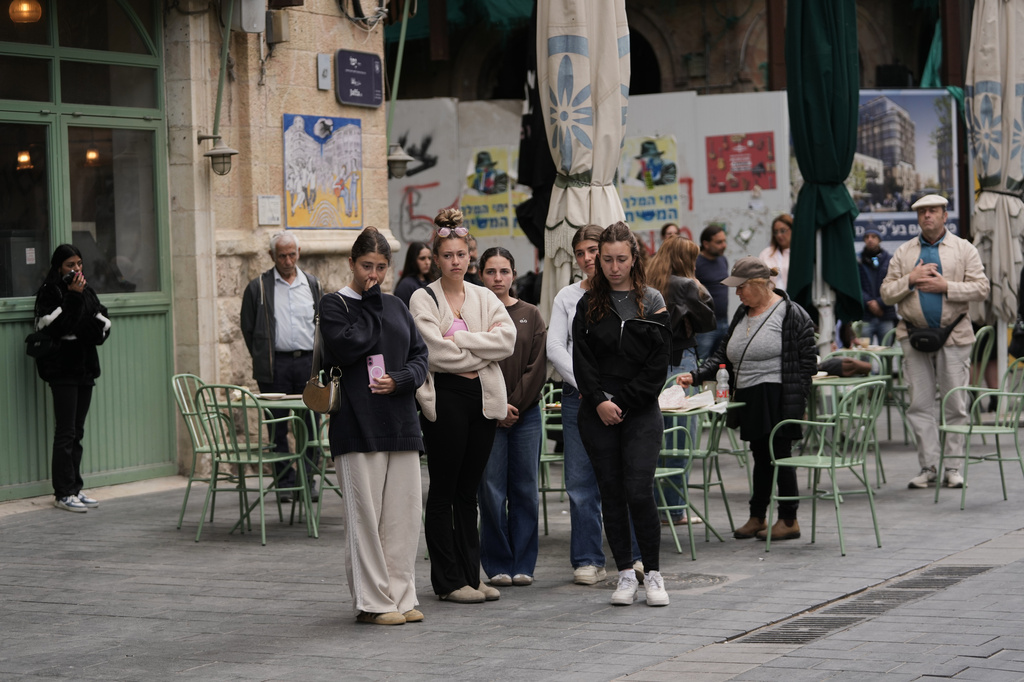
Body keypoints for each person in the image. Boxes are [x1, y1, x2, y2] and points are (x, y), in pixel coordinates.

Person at [319, 227, 429, 626]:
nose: (374, 274)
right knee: (365, 519)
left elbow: (420, 356)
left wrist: (400, 380)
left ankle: (401, 595)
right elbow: (351, 345)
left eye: (381, 267)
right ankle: (373, 603)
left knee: (402, 516)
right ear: (351, 263)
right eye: (367, 266)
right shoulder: (334, 305)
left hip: (400, 422)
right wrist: (368, 301)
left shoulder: (397, 306)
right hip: (355, 425)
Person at [410, 208, 516, 604]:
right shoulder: (423, 297)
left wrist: (463, 341)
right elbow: (433, 354)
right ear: (436, 258)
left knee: (468, 493)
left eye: (461, 254)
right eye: (448, 255)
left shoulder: (485, 295)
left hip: (483, 401)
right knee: (444, 491)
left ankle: (472, 576)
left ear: (469, 255)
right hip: (446, 400)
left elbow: (506, 342)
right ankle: (449, 581)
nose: (456, 261)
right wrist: (480, 345)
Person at [677, 256, 816, 542]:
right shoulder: (743, 312)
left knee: (780, 456)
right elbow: (723, 353)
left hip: (778, 393)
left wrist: (799, 402)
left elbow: (807, 364)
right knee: (761, 457)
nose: (737, 293)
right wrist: (697, 374)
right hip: (750, 394)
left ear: (758, 284)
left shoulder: (791, 313)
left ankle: (789, 519)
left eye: (741, 288)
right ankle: (757, 516)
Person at [573, 222, 672, 607]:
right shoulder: (589, 303)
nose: (613, 267)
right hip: (597, 410)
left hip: (640, 410)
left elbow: (658, 362)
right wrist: (598, 400)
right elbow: (582, 360)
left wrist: (624, 402)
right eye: (607, 259)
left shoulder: (652, 300)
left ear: (634, 259)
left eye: (621, 259)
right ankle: (625, 575)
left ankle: (654, 573)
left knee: (639, 490)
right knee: (611, 493)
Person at [880, 194, 990, 490]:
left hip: (954, 334)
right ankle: (928, 467)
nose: (927, 215)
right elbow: (887, 293)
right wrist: (911, 279)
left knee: (955, 403)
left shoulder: (963, 248)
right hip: (912, 334)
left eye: (933, 211)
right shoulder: (904, 252)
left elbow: (982, 288)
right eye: (922, 212)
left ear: (944, 216)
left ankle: (953, 467)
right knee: (919, 404)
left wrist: (946, 287)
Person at [477, 248, 547, 588]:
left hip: (525, 415)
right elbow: (471, 361)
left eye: (504, 271)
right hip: (487, 415)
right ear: (481, 275)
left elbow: (538, 367)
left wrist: (511, 405)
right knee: (490, 491)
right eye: (491, 272)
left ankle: (523, 563)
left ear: (514, 274)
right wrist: (496, 406)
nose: (498, 278)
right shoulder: (473, 315)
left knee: (525, 490)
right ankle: (496, 563)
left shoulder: (530, 314)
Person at [547, 225, 610, 585]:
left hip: (620, 396)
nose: (587, 258)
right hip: (577, 396)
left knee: (621, 475)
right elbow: (555, 347)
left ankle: (632, 553)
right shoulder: (567, 297)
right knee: (580, 479)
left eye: (593, 250)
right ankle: (587, 558)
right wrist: (588, 385)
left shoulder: (627, 292)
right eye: (581, 252)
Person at [240, 231, 322, 502]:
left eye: (292, 254)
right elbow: (248, 328)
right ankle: (285, 483)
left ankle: (307, 480)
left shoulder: (312, 285)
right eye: (282, 255)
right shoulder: (259, 287)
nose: (287, 260)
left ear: (298, 253)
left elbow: (322, 324)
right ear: (272, 256)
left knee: (310, 423)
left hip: (308, 364)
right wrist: (263, 357)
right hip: (275, 366)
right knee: (277, 426)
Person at [33, 244, 111, 512]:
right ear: (58, 268)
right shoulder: (51, 292)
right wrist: (74, 302)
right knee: (65, 432)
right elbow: (57, 328)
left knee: (77, 431)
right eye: (70, 265)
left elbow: (102, 326)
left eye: (79, 263)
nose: (76, 269)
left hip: (85, 368)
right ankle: (62, 493)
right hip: (62, 370)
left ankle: (75, 488)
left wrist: (78, 323)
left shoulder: (86, 289)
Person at [647, 236, 716, 525]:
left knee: (653, 441)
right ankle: (675, 510)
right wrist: (698, 285)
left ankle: (655, 507)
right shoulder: (685, 285)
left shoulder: (649, 282)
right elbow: (709, 320)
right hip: (681, 363)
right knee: (680, 439)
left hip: (651, 366)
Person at [695, 225, 730, 361]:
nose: (724, 245)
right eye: (719, 242)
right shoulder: (697, 263)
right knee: (702, 362)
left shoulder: (723, 260)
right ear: (706, 244)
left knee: (721, 362)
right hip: (706, 325)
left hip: (723, 322)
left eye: (724, 241)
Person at [858, 227, 897, 345]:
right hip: (865, 316)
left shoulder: (890, 260)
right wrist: (869, 302)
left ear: (879, 239)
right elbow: (856, 286)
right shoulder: (857, 260)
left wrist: (880, 303)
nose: (870, 240)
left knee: (887, 355)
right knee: (864, 356)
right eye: (867, 237)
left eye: (874, 237)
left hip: (886, 315)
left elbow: (895, 285)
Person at [393, 241, 434, 307]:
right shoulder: (406, 285)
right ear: (413, 260)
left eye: (429, 258)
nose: (427, 262)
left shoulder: (431, 281)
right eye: (422, 258)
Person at [759, 213, 792, 292]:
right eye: (776, 232)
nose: (779, 235)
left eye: (783, 231)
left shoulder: (798, 254)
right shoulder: (766, 253)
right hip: (771, 298)